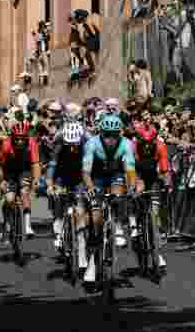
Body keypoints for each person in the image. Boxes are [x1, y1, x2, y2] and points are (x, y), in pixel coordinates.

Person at [81, 113, 137, 283]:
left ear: (120, 133)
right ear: (101, 133)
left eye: (114, 135)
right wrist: (90, 188)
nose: (110, 139)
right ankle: (91, 263)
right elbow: (85, 171)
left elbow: (129, 169)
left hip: (115, 176)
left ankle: (118, 226)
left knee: (119, 194)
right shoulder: (91, 144)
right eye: (106, 135)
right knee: (96, 220)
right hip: (96, 177)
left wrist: (132, 185)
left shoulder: (126, 144)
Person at [0, 121, 41, 241]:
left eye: (22, 139)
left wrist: (36, 180)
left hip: (25, 169)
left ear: (26, 138)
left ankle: (28, 226)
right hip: (8, 170)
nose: (19, 141)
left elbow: (35, 164)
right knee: (9, 199)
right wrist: (1, 181)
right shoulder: (6, 145)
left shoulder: (32, 143)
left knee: (24, 192)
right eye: (17, 139)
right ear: (12, 137)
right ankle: (7, 222)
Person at [132, 120, 171, 270]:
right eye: (144, 142)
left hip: (153, 175)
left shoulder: (160, 145)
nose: (147, 145)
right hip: (138, 173)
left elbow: (164, 168)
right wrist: (135, 183)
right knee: (136, 194)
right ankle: (134, 222)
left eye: (150, 142)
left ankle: (156, 251)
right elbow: (130, 168)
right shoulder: (133, 146)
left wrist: (167, 183)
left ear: (155, 139)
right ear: (139, 139)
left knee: (154, 213)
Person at [46, 120, 87, 255]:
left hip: (79, 179)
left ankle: (81, 244)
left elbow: (91, 168)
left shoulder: (86, 146)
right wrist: (50, 184)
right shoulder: (59, 147)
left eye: (75, 145)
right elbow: (52, 165)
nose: (72, 148)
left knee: (80, 207)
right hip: (61, 178)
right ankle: (58, 232)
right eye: (69, 145)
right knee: (58, 199)